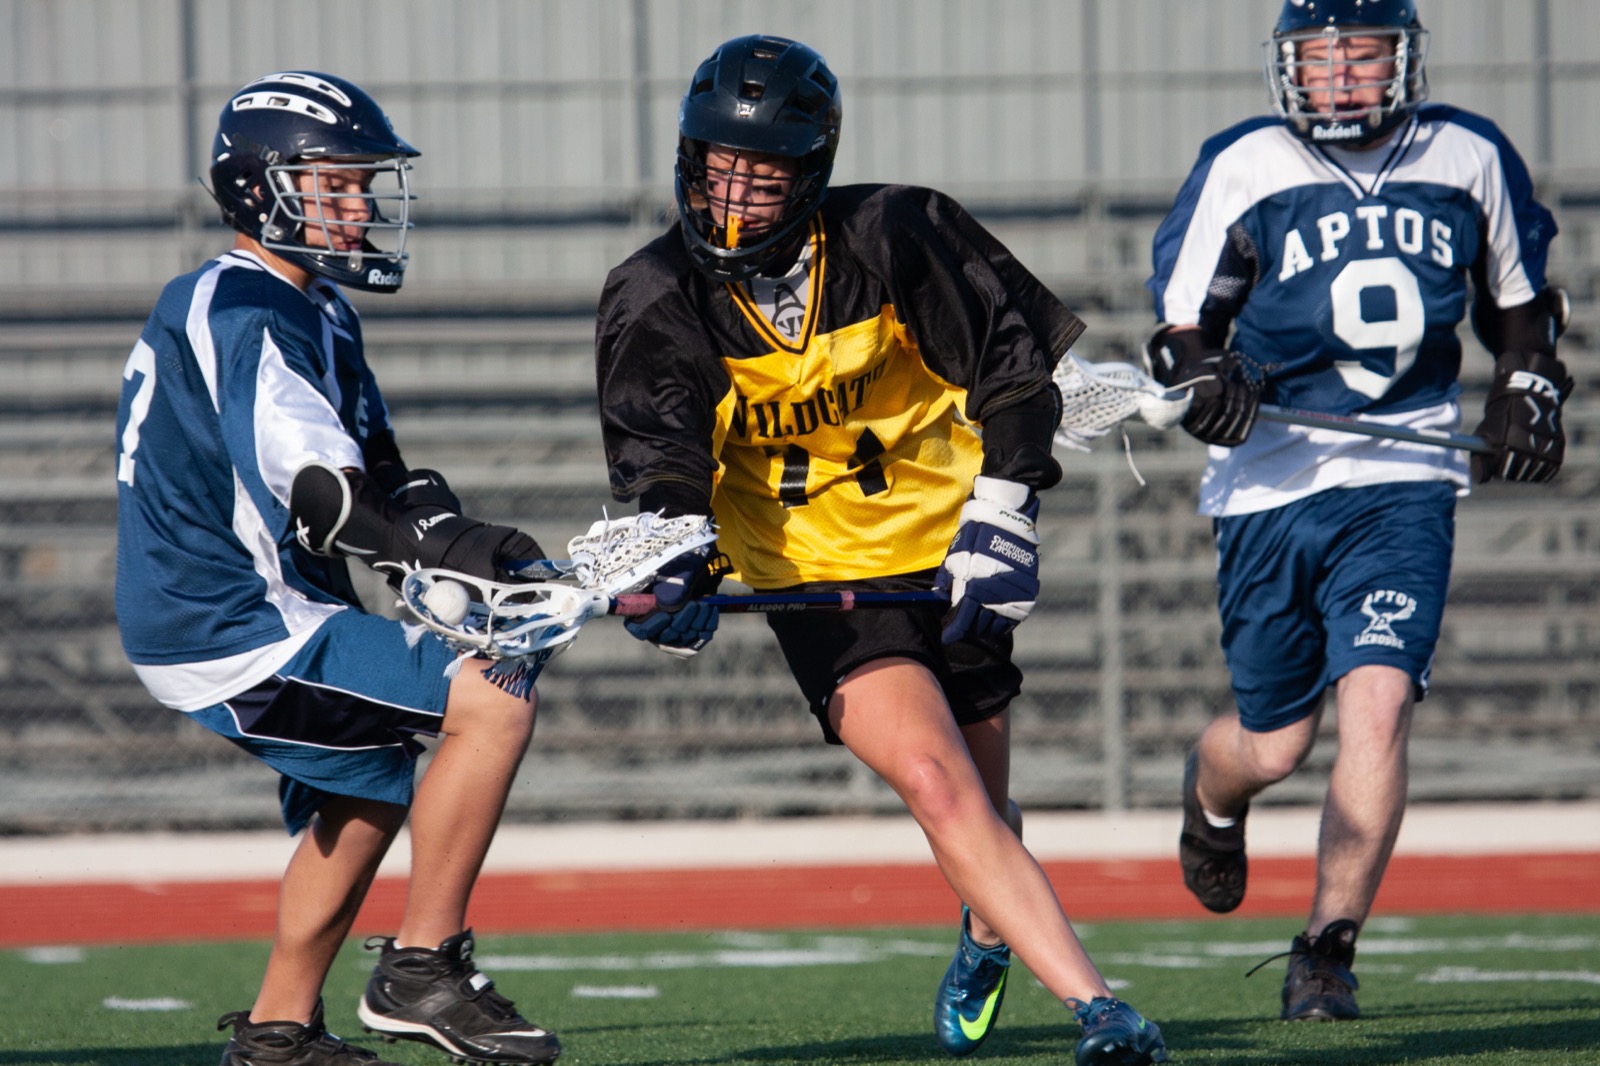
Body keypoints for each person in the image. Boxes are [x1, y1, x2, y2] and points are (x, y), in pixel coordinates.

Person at [594, 35, 1169, 1066]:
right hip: (818, 581)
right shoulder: (653, 292)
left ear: (809, 174)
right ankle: (1102, 1010)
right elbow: (665, 462)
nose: (732, 198)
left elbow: (1014, 380)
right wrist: (674, 562)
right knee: (939, 787)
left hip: (949, 544)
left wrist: (1005, 513)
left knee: (983, 801)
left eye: (762, 177)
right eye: (717, 168)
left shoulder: (893, 230)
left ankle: (987, 931)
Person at [115, 71, 564, 1066]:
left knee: (365, 783)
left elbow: (386, 476)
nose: (362, 204)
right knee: (493, 697)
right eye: (340, 182)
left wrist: (457, 535)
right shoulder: (245, 307)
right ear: (262, 187)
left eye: (367, 183)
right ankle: (422, 964)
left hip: (247, 603)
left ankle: (278, 1032)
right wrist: (429, 549)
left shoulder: (313, 308)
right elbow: (321, 491)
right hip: (233, 614)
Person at [1146, 0, 1570, 1022]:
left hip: (1402, 480)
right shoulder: (1243, 164)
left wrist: (1526, 384)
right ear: (1290, 69)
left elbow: (1519, 303)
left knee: (1376, 700)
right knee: (1274, 743)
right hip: (1271, 477)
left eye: (1360, 55)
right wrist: (1212, 383)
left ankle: (1326, 947)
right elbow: (1179, 329)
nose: (1338, 77)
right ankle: (1211, 799)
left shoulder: (1466, 153)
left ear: (1400, 61)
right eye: (1319, 59)